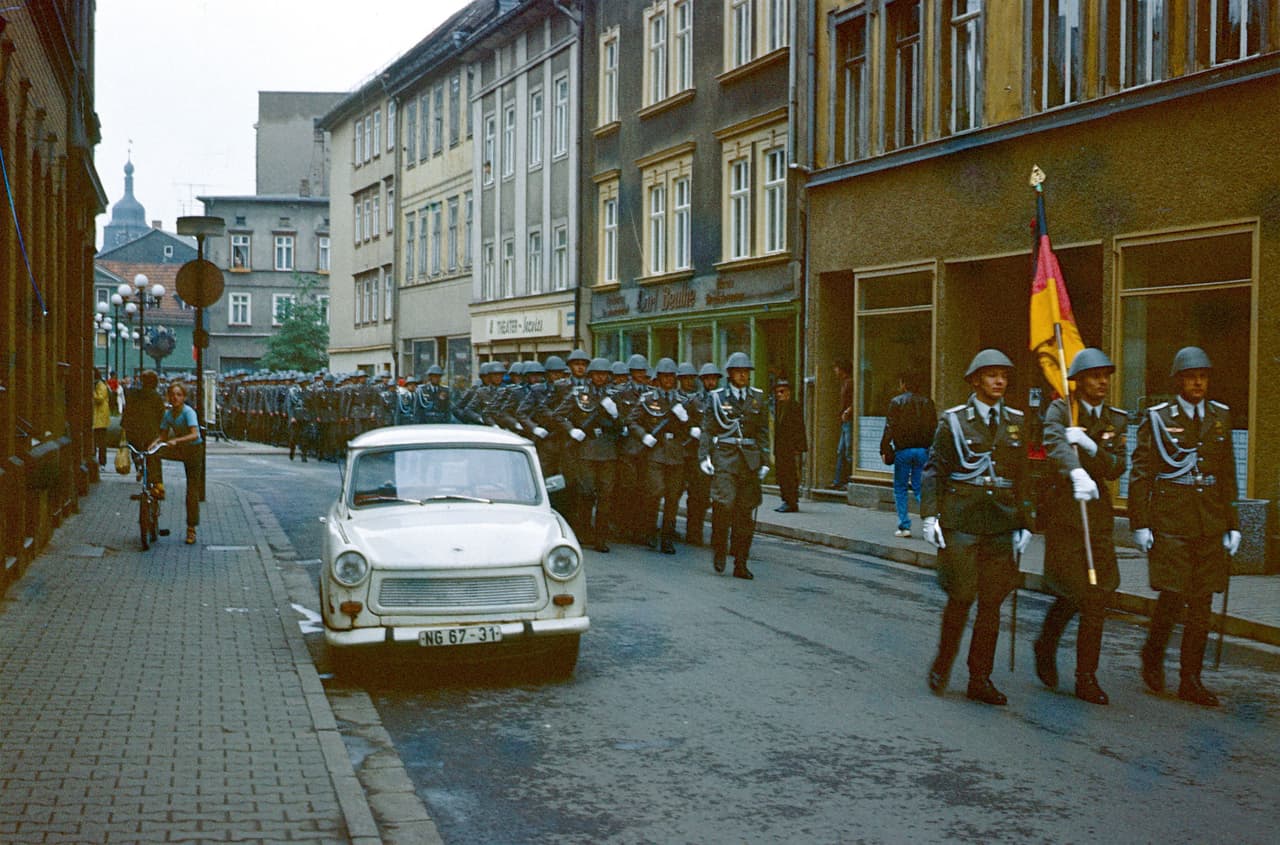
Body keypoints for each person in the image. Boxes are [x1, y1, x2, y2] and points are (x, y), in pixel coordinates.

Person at [1129, 346, 1240, 707]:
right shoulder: (1159, 417)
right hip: (1171, 520)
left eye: (1203, 376)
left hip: (1209, 521)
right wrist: (1140, 523)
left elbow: (1226, 475)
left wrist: (1233, 524)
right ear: (1179, 381)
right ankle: (1152, 654)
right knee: (1173, 596)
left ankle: (1191, 678)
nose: (1198, 382)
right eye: (1192, 377)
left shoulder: (1220, 416)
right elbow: (1142, 472)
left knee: (1203, 601)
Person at [921, 349, 1034, 705]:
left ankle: (980, 678)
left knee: (991, 604)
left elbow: (1023, 477)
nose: (1000, 381)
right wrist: (929, 516)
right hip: (962, 520)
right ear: (975, 380)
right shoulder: (953, 421)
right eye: (991, 375)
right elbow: (934, 469)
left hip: (1000, 522)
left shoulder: (1016, 420)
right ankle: (943, 663)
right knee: (961, 597)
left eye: (1003, 375)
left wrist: (1026, 522)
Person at [1033, 348, 1127, 706]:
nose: (1102, 382)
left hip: (1098, 513)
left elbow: (1116, 466)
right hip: (1065, 511)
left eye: (1105, 376)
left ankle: (1086, 677)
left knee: (1097, 596)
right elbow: (1054, 443)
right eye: (1093, 376)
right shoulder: (1061, 409)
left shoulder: (1115, 419)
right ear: (1078, 381)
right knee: (1071, 592)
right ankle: (1045, 644)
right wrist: (1074, 469)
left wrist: (1088, 445)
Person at [699, 351, 770, 579]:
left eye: (746, 372)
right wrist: (704, 457)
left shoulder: (757, 397)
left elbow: (762, 432)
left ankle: (741, 563)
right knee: (723, 507)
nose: (743, 376)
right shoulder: (718, 397)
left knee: (745, 514)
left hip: (749, 461)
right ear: (729, 374)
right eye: (739, 372)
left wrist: (765, 460)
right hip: (725, 458)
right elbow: (708, 430)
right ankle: (719, 550)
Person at [880, 370, 938, 537]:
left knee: (901, 488)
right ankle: (932, 521)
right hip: (922, 450)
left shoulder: (896, 402)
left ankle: (904, 526)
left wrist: (884, 448)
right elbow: (934, 428)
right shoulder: (928, 402)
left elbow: (889, 427)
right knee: (921, 489)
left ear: (903, 384)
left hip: (903, 450)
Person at [151, 382, 204, 545]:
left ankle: (191, 529)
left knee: (191, 490)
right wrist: (154, 443)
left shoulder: (188, 412)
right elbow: (163, 435)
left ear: (184, 397)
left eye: (179, 395)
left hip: (193, 450)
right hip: (179, 447)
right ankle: (157, 484)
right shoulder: (168, 414)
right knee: (153, 454)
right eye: (172, 395)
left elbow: (195, 434)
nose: (175, 398)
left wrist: (176, 440)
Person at [121, 370, 166, 492]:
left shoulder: (133, 395)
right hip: (151, 434)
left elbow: (127, 413)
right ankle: (157, 484)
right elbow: (162, 417)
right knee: (154, 457)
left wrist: (125, 427)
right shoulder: (156, 397)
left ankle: (139, 467)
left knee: (136, 451)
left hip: (134, 434)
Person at [772, 378, 807, 513]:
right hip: (781, 447)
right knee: (781, 474)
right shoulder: (778, 407)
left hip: (790, 447)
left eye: (782, 392)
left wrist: (798, 447)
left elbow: (799, 428)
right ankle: (785, 499)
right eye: (777, 392)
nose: (779, 395)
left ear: (789, 392)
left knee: (789, 475)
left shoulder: (794, 406)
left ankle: (791, 501)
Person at [831, 360, 853, 488]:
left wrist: (848, 410)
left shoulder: (850, 383)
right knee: (841, 450)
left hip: (849, 420)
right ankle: (838, 480)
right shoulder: (845, 383)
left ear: (842, 369)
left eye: (836, 368)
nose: (835, 371)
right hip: (845, 421)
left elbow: (857, 399)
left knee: (848, 451)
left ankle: (850, 480)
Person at [92, 368, 111, 467]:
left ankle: (102, 462)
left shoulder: (100, 385)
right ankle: (97, 460)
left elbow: (100, 398)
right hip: (97, 418)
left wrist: (92, 393)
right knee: (95, 441)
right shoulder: (98, 384)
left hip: (100, 418)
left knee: (101, 442)